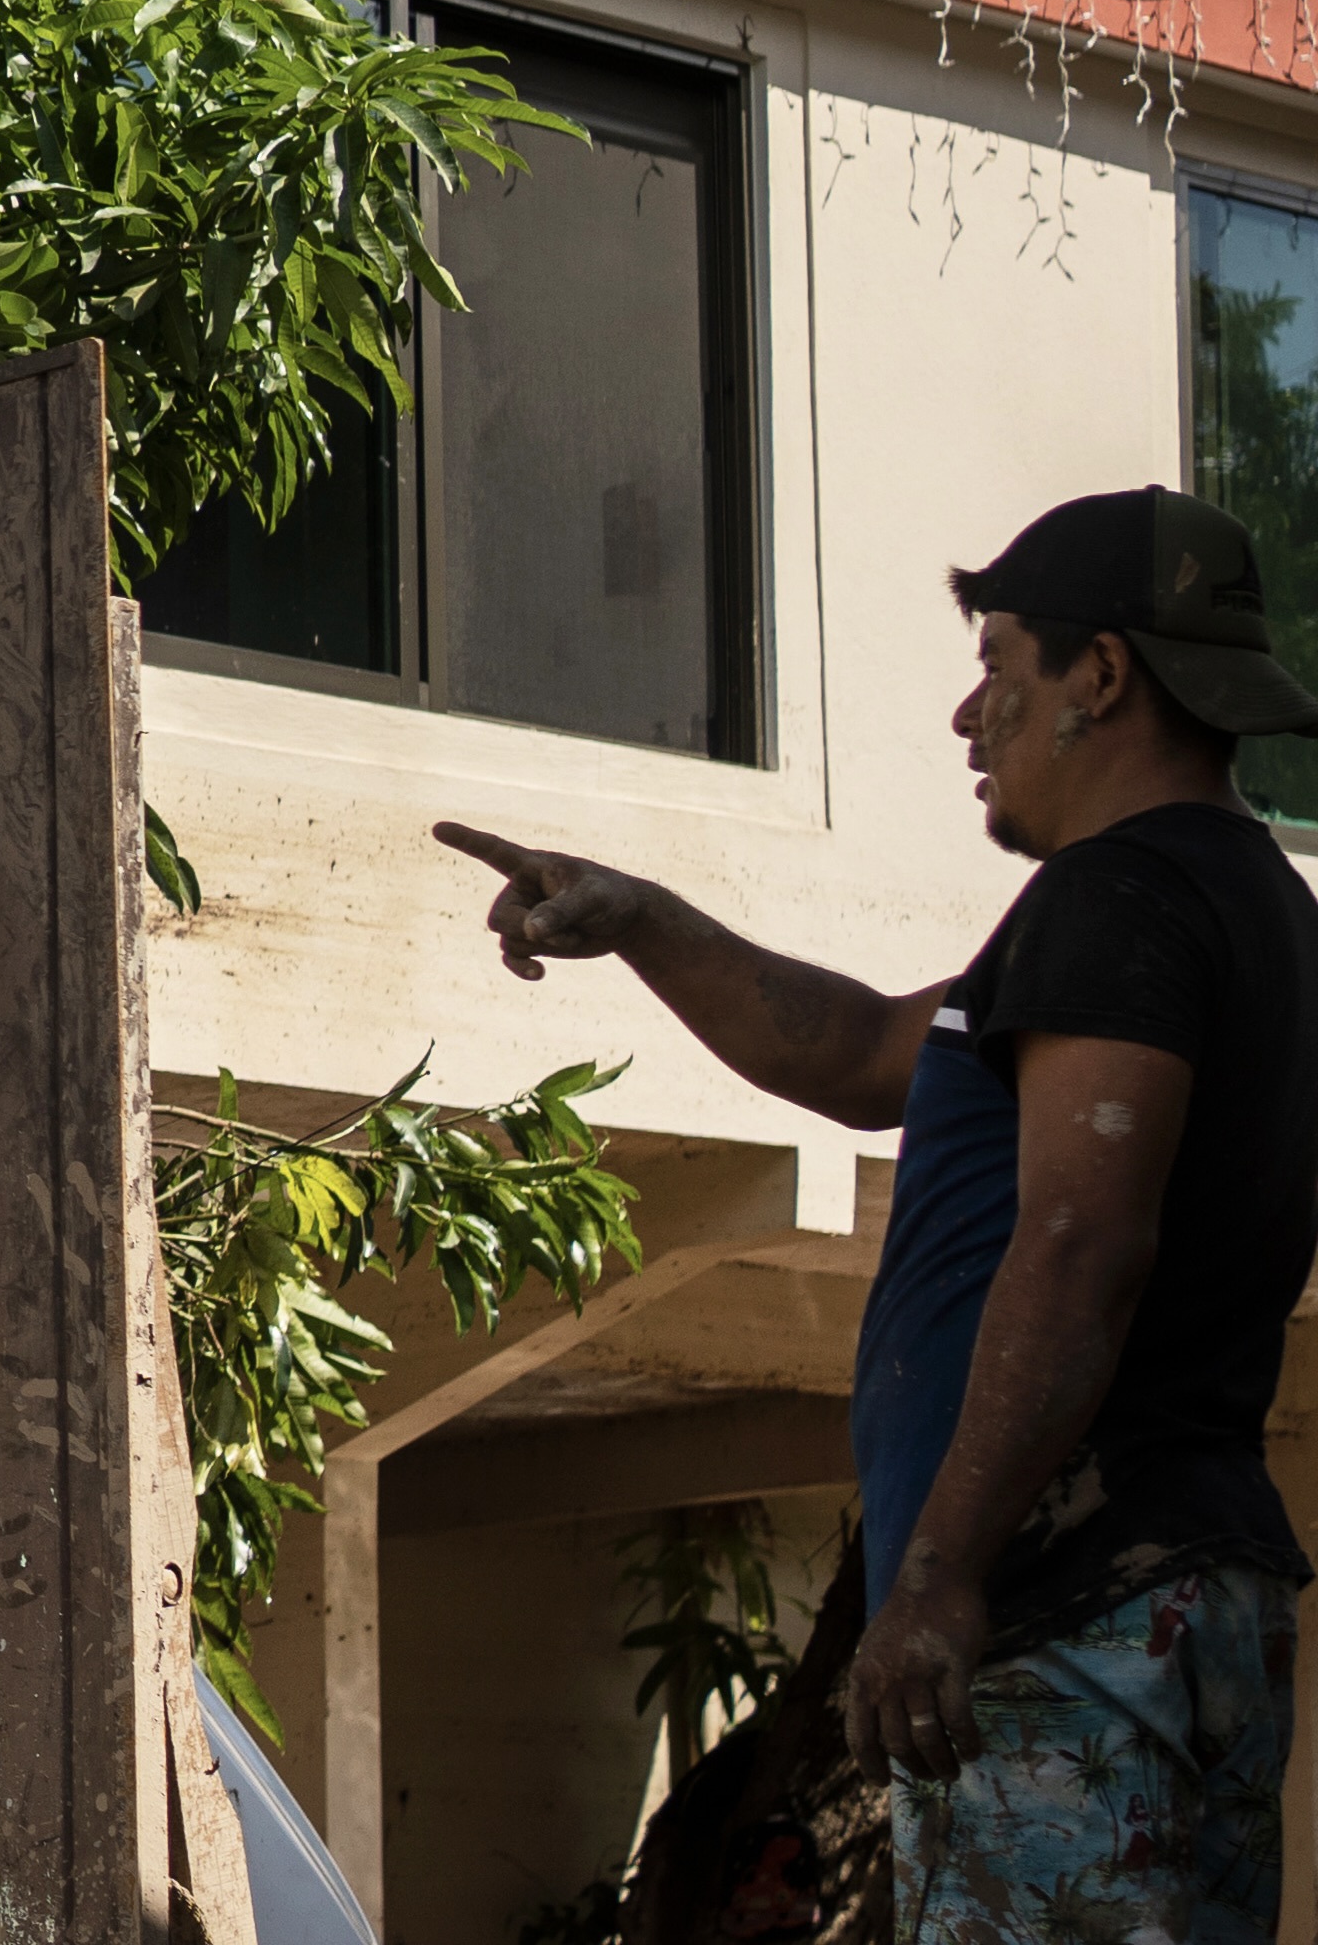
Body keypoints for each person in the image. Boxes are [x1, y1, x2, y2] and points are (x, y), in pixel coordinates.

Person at [438, 488, 1318, 1940]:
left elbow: (1081, 1246)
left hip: (1076, 1606)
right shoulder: (1233, 905)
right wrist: (638, 916)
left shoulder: (1123, 898)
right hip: (1175, 1590)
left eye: (999, 666)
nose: (971, 718)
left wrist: (940, 1576)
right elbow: (856, 1055)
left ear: (1102, 676)